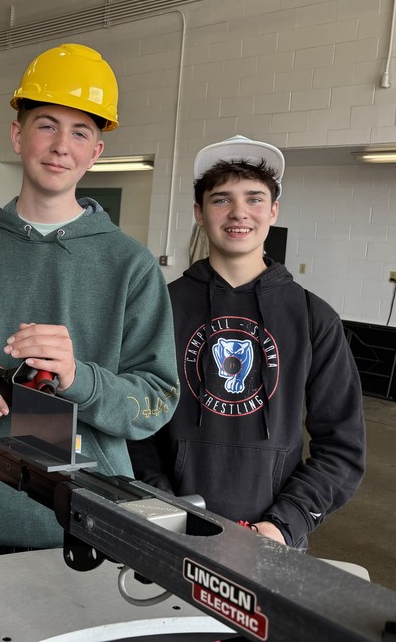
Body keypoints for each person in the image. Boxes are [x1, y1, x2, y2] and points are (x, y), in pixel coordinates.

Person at [0, 43, 179, 568]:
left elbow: (156, 401)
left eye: (80, 132)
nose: (61, 146)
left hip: (84, 521)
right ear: (17, 134)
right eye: (46, 125)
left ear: (96, 152)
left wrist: (81, 378)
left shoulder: (132, 266)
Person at [128, 135, 366, 549]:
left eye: (254, 199)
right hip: (167, 524)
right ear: (199, 214)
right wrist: (161, 506)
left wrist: (282, 525)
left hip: (273, 537)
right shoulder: (162, 307)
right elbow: (134, 421)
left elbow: (342, 448)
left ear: (274, 211)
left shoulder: (314, 318)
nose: (239, 212)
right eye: (221, 200)